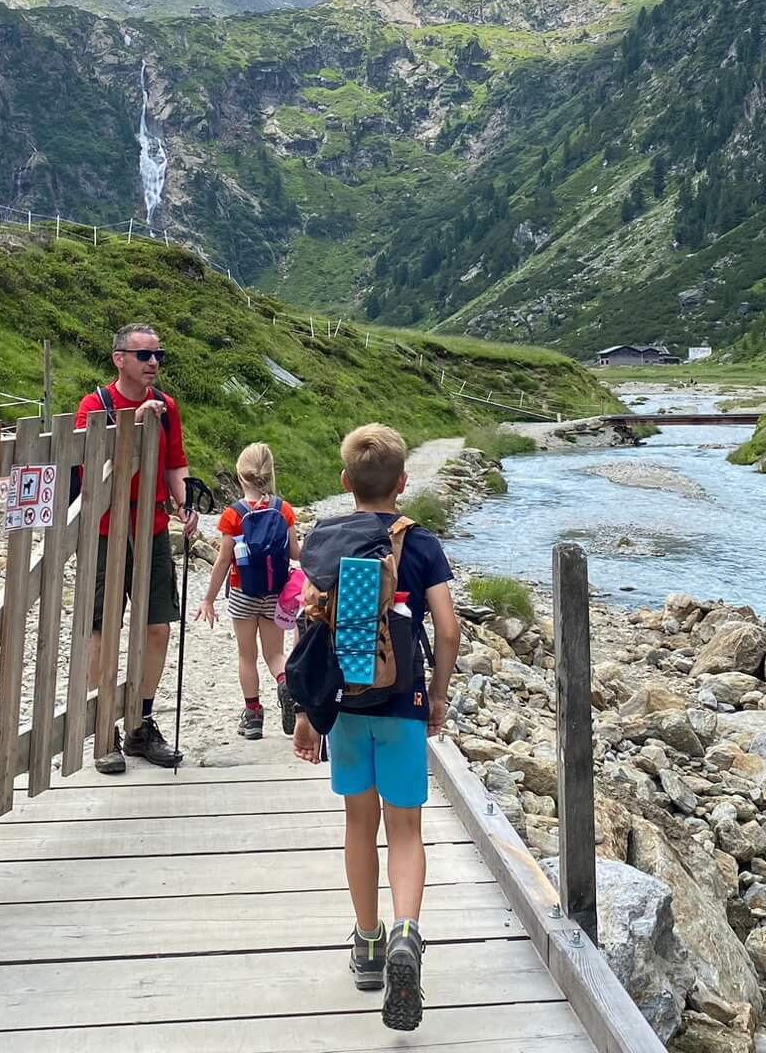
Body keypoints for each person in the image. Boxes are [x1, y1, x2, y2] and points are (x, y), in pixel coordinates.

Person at [292, 424, 460, 1033]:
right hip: (403, 701)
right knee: (407, 827)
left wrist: (307, 712)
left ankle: (367, 943)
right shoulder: (422, 545)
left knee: (359, 823)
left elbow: (308, 630)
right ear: (404, 482)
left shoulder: (325, 543)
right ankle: (407, 935)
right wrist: (437, 695)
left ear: (345, 482)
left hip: (347, 707)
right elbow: (446, 629)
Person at [76, 322, 200, 774]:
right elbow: (93, 475)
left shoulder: (168, 407)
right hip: (107, 529)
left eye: (158, 356)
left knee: (157, 627)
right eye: (144, 355)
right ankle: (103, 726)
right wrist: (133, 426)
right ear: (119, 359)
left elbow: (175, 462)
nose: (153, 363)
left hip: (152, 528)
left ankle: (140, 721)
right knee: (103, 631)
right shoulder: (95, 407)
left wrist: (186, 502)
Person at [197, 442, 301, 739]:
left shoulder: (234, 514)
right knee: (274, 653)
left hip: (243, 592)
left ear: (241, 476)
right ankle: (285, 684)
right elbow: (294, 552)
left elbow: (223, 560)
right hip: (275, 593)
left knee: (247, 656)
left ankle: (253, 716)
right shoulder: (284, 509)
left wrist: (208, 599)